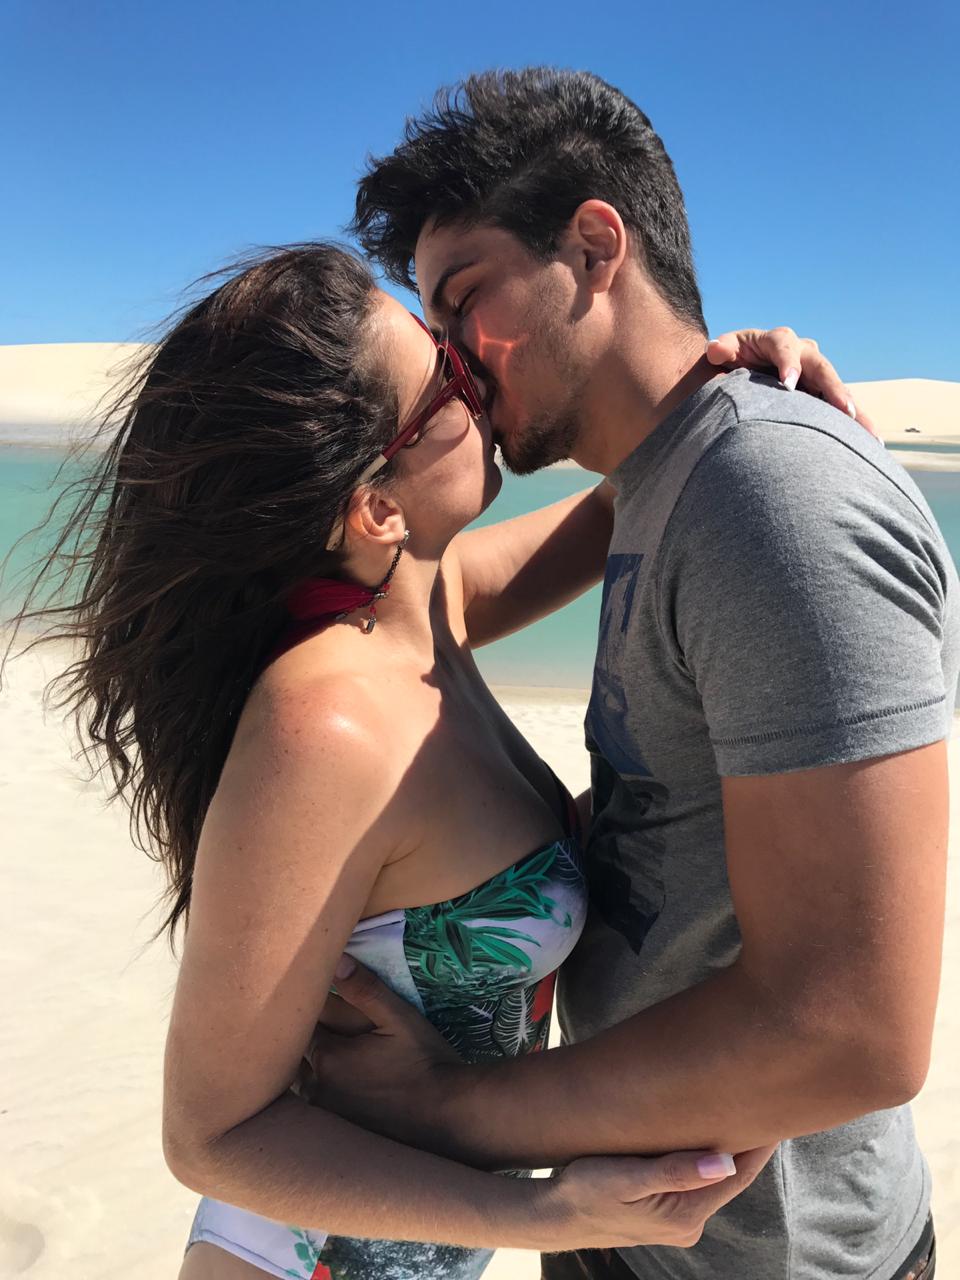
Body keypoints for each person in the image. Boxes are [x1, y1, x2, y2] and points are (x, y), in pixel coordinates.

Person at [13, 241, 858, 1279]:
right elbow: (210, 1135)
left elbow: (632, 492)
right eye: (447, 372)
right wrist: (546, 1215)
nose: (479, 370)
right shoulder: (325, 725)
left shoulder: (430, 608)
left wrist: (738, 385)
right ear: (377, 505)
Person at [295, 69, 958, 1280]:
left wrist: (449, 1108)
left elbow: (854, 1031)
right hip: (626, 1224)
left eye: (465, 302)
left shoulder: (774, 502)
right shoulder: (668, 483)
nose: (452, 365)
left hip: (776, 1258)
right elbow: (418, 602)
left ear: (596, 248)